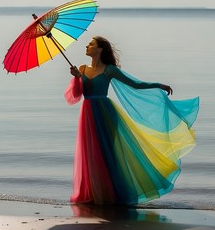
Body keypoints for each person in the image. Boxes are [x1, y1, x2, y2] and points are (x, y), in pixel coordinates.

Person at [65, 36, 199, 205]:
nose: (87, 45)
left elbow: (135, 84)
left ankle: (111, 195)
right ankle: (93, 194)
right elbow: (75, 96)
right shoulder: (82, 69)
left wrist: (158, 85)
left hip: (105, 114)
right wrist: (77, 77)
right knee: (90, 154)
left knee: (107, 154)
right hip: (87, 114)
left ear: (100, 49)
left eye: (91, 44)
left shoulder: (109, 69)